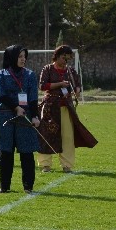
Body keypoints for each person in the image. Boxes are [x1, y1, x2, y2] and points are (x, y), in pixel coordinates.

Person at [0, 45, 40, 194]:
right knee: (6, 152)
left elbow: (33, 97)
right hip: (6, 116)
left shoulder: (30, 75)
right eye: (19, 56)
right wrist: (15, 107)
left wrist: (35, 116)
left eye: (24, 56)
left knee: (27, 152)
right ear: (11, 57)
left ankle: (28, 187)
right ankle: (4, 186)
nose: (23, 59)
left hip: (25, 116)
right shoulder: (1, 74)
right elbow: (2, 95)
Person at [37, 45, 89, 173]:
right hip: (50, 107)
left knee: (67, 137)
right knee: (47, 134)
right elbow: (42, 86)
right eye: (63, 57)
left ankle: (67, 165)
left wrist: (77, 90)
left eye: (67, 58)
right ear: (57, 56)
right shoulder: (47, 69)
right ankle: (46, 165)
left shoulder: (70, 71)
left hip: (66, 107)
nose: (65, 60)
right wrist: (60, 84)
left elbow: (78, 85)